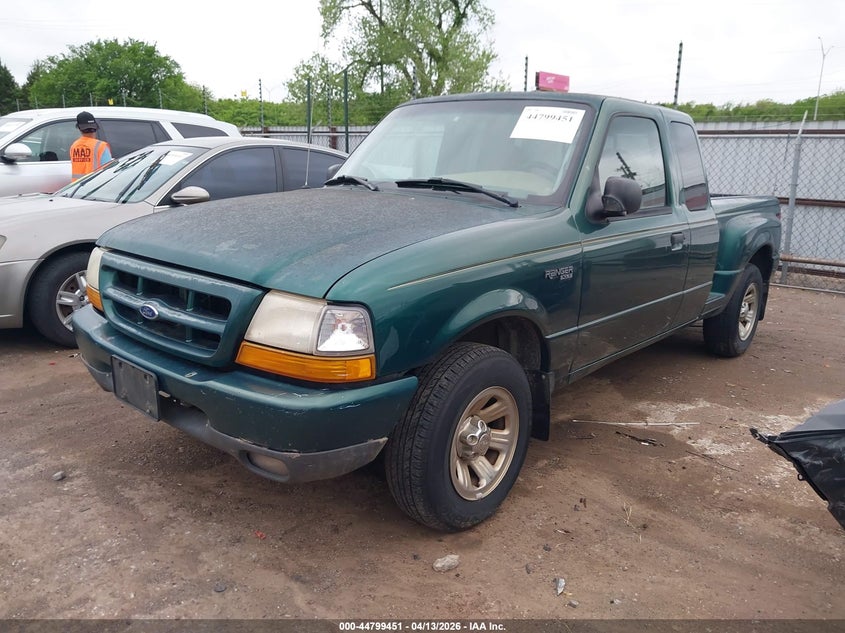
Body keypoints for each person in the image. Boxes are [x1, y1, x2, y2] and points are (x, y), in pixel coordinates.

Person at [70, 111, 112, 182]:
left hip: (76, 187)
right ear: (95, 127)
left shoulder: (74, 146)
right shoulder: (101, 146)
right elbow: (107, 172)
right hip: (94, 186)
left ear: (79, 128)